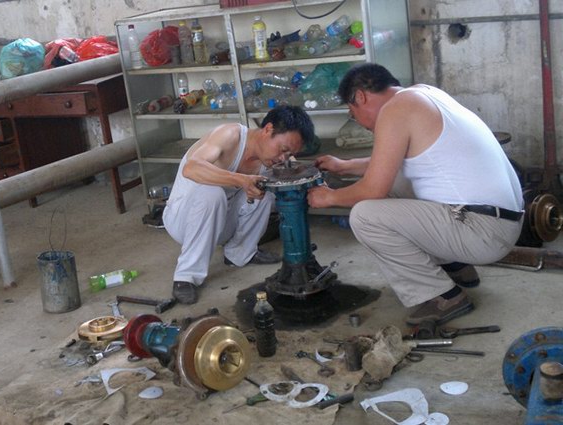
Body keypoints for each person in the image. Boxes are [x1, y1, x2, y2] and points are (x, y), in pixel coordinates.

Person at [308, 63, 523, 325]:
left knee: (365, 216)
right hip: (500, 222)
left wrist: (329, 197)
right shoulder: (422, 94)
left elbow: (373, 188)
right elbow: (392, 161)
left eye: (353, 114)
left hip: (483, 232)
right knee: (397, 180)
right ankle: (456, 267)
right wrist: (345, 165)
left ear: (360, 97)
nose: (359, 123)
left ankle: (445, 297)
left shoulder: (395, 110)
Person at [163, 105, 316, 304]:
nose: (283, 158)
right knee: (212, 194)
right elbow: (191, 168)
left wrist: (319, 183)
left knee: (265, 189)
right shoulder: (229, 135)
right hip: (182, 220)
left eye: (289, 154)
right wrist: (241, 180)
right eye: (283, 150)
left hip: (218, 225)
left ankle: (239, 253)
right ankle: (185, 276)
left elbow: (293, 171)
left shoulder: (275, 158)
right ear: (268, 129)